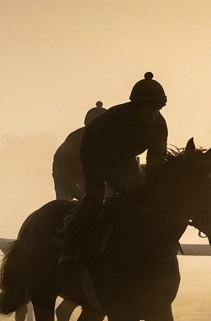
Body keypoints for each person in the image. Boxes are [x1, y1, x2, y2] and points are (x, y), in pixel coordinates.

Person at [59, 72, 169, 266]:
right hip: (94, 150)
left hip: (123, 157)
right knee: (95, 197)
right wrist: (122, 186)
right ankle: (69, 248)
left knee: (140, 197)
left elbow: (155, 163)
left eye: (157, 109)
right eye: (148, 108)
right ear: (136, 107)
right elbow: (102, 161)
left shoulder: (159, 125)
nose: (152, 114)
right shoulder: (115, 119)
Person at [52, 101, 108, 201]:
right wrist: (81, 195)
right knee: (65, 203)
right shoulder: (73, 143)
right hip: (66, 176)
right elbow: (64, 178)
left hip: (94, 179)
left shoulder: (113, 139)